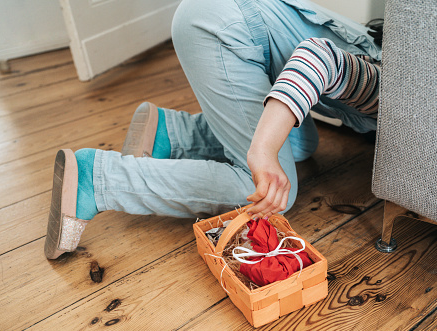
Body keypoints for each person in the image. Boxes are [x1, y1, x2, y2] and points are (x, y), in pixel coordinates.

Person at [44, 0, 382, 259]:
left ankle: (171, 133)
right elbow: (316, 58)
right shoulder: (400, 93)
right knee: (276, 190)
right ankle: (99, 179)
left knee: (300, 141)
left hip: (225, 19)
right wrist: (262, 152)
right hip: (218, 27)